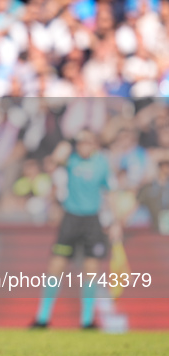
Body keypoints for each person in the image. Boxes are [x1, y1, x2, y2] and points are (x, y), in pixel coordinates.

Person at [32, 131, 121, 329]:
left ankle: (87, 320)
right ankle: (42, 317)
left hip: (92, 220)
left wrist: (115, 222)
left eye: (88, 142)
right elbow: (52, 163)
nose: (84, 146)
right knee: (56, 267)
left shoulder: (102, 164)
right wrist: (66, 143)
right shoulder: (70, 160)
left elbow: (111, 191)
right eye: (80, 143)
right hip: (71, 218)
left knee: (91, 269)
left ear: (95, 144)